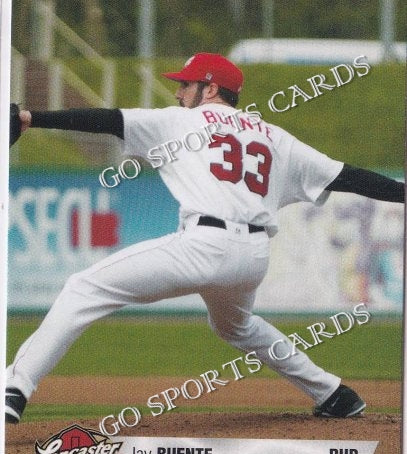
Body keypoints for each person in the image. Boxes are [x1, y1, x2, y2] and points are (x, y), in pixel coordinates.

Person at [5, 53, 404, 424]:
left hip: (204, 245)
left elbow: (108, 120)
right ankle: (335, 394)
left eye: (186, 84)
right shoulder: (274, 136)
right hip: (252, 257)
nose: (179, 93)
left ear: (210, 89)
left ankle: (14, 388)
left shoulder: (182, 122)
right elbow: (347, 175)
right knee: (237, 327)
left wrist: (30, 117)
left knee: (83, 287)